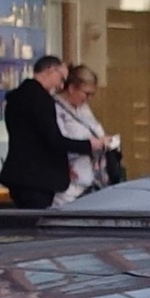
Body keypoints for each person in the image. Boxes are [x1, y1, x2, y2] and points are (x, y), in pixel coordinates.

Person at [0, 54, 74, 210]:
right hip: (38, 178)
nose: (61, 86)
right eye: (61, 78)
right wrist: (89, 145)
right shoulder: (41, 99)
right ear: (51, 70)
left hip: (17, 174)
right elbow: (53, 139)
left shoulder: (15, 98)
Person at [52, 64, 118, 204]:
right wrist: (92, 144)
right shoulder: (55, 108)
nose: (89, 99)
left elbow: (96, 130)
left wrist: (105, 141)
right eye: (86, 93)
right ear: (71, 88)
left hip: (92, 180)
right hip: (69, 183)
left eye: (92, 94)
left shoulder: (83, 109)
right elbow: (58, 141)